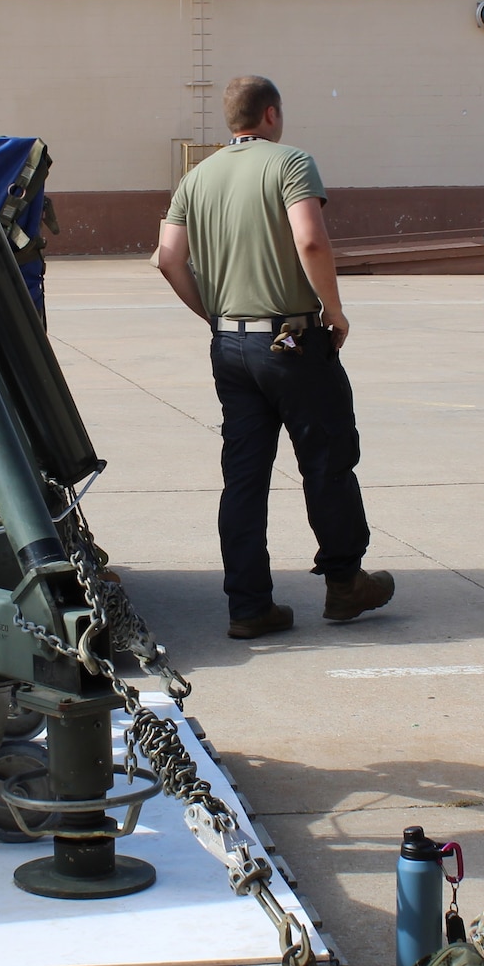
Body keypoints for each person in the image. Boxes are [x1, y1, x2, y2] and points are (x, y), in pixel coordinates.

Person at [155, 74, 394, 638]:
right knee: (327, 461)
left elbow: (167, 258)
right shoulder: (291, 163)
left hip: (231, 346)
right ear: (270, 114)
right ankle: (343, 584)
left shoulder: (195, 177)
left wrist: (214, 316)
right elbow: (310, 239)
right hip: (291, 341)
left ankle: (249, 606)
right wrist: (334, 310)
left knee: (243, 477)